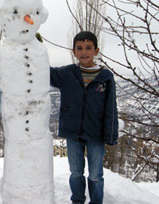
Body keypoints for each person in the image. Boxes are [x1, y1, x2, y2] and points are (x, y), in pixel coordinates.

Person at [50, 31, 118, 204]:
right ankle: (77, 200)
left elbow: (111, 108)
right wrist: (31, 47)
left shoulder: (106, 77)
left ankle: (96, 201)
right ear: (73, 51)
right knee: (76, 172)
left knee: (95, 174)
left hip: (96, 133)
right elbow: (45, 71)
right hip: (73, 132)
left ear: (96, 51)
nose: (84, 52)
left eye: (88, 48)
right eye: (79, 48)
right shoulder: (67, 73)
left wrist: (110, 135)